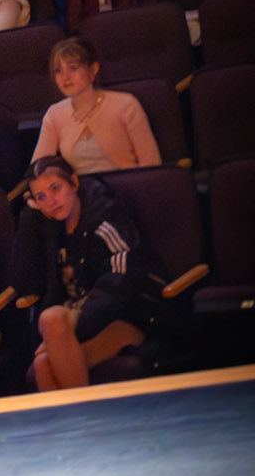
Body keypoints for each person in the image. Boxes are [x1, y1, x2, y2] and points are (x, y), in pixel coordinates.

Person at [11, 157, 167, 390]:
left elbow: (123, 281)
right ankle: (79, 423)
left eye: (56, 188)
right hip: (71, 326)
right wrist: (28, 220)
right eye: (40, 197)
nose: (51, 201)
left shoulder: (104, 218)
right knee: (43, 364)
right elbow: (24, 283)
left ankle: (79, 422)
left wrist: (77, 322)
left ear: (73, 183)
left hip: (124, 318)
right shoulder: (48, 226)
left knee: (51, 318)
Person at [32, 39, 160, 172]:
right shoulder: (54, 114)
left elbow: (151, 164)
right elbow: (38, 169)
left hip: (130, 187)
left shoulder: (126, 104)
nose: (65, 77)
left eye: (73, 68)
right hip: (81, 190)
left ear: (93, 69)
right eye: (58, 71)